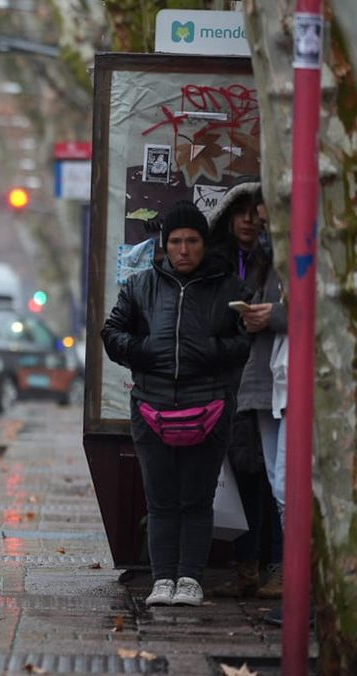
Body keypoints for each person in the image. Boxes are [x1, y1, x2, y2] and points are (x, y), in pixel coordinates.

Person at [102, 201, 251, 607]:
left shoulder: (230, 289)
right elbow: (111, 332)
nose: (183, 249)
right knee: (161, 500)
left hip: (210, 408)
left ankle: (190, 580)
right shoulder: (140, 286)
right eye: (175, 242)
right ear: (164, 247)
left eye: (192, 241)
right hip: (151, 408)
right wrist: (145, 350)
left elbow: (245, 342)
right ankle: (162, 579)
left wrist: (209, 351)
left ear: (204, 244)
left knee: (197, 500)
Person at [206, 179, 286, 600]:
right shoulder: (219, 263)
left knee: (275, 477)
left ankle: (276, 563)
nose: (249, 224)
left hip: (266, 376)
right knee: (246, 471)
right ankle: (246, 564)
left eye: (256, 217)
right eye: (242, 215)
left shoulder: (276, 262)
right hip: (232, 379)